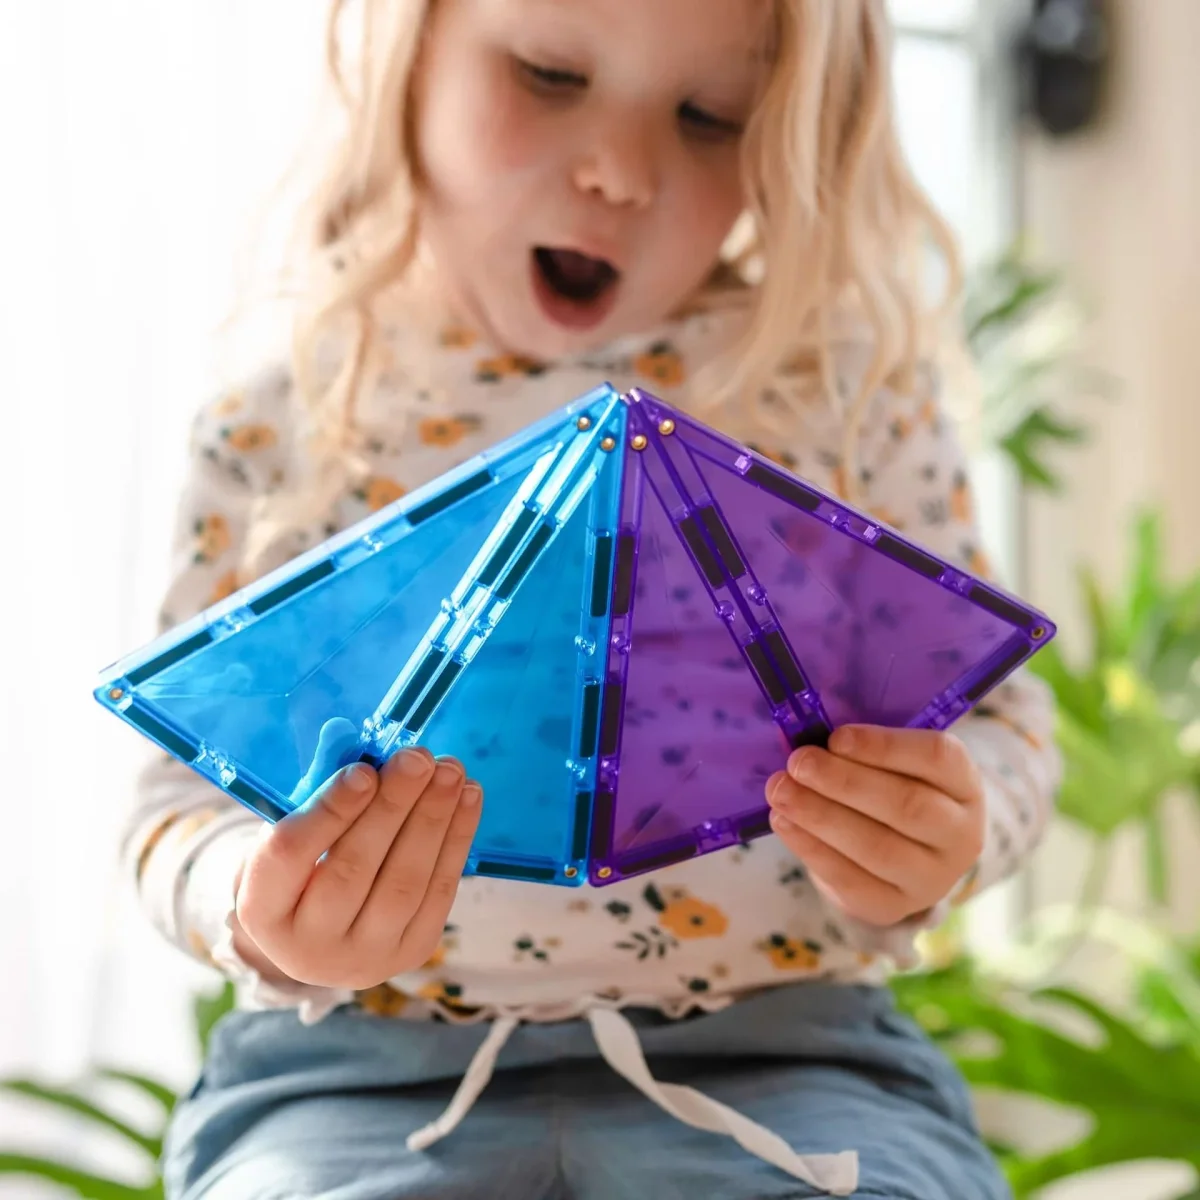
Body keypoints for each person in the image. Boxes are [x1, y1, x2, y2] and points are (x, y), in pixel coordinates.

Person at [122, 1, 1060, 1196]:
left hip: (792, 1060)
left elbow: (1001, 726)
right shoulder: (284, 408)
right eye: (549, 73)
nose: (619, 170)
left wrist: (946, 835)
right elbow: (173, 803)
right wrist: (258, 908)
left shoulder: (845, 391)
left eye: (709, 116)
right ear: (406, 48)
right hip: (352, 1077)